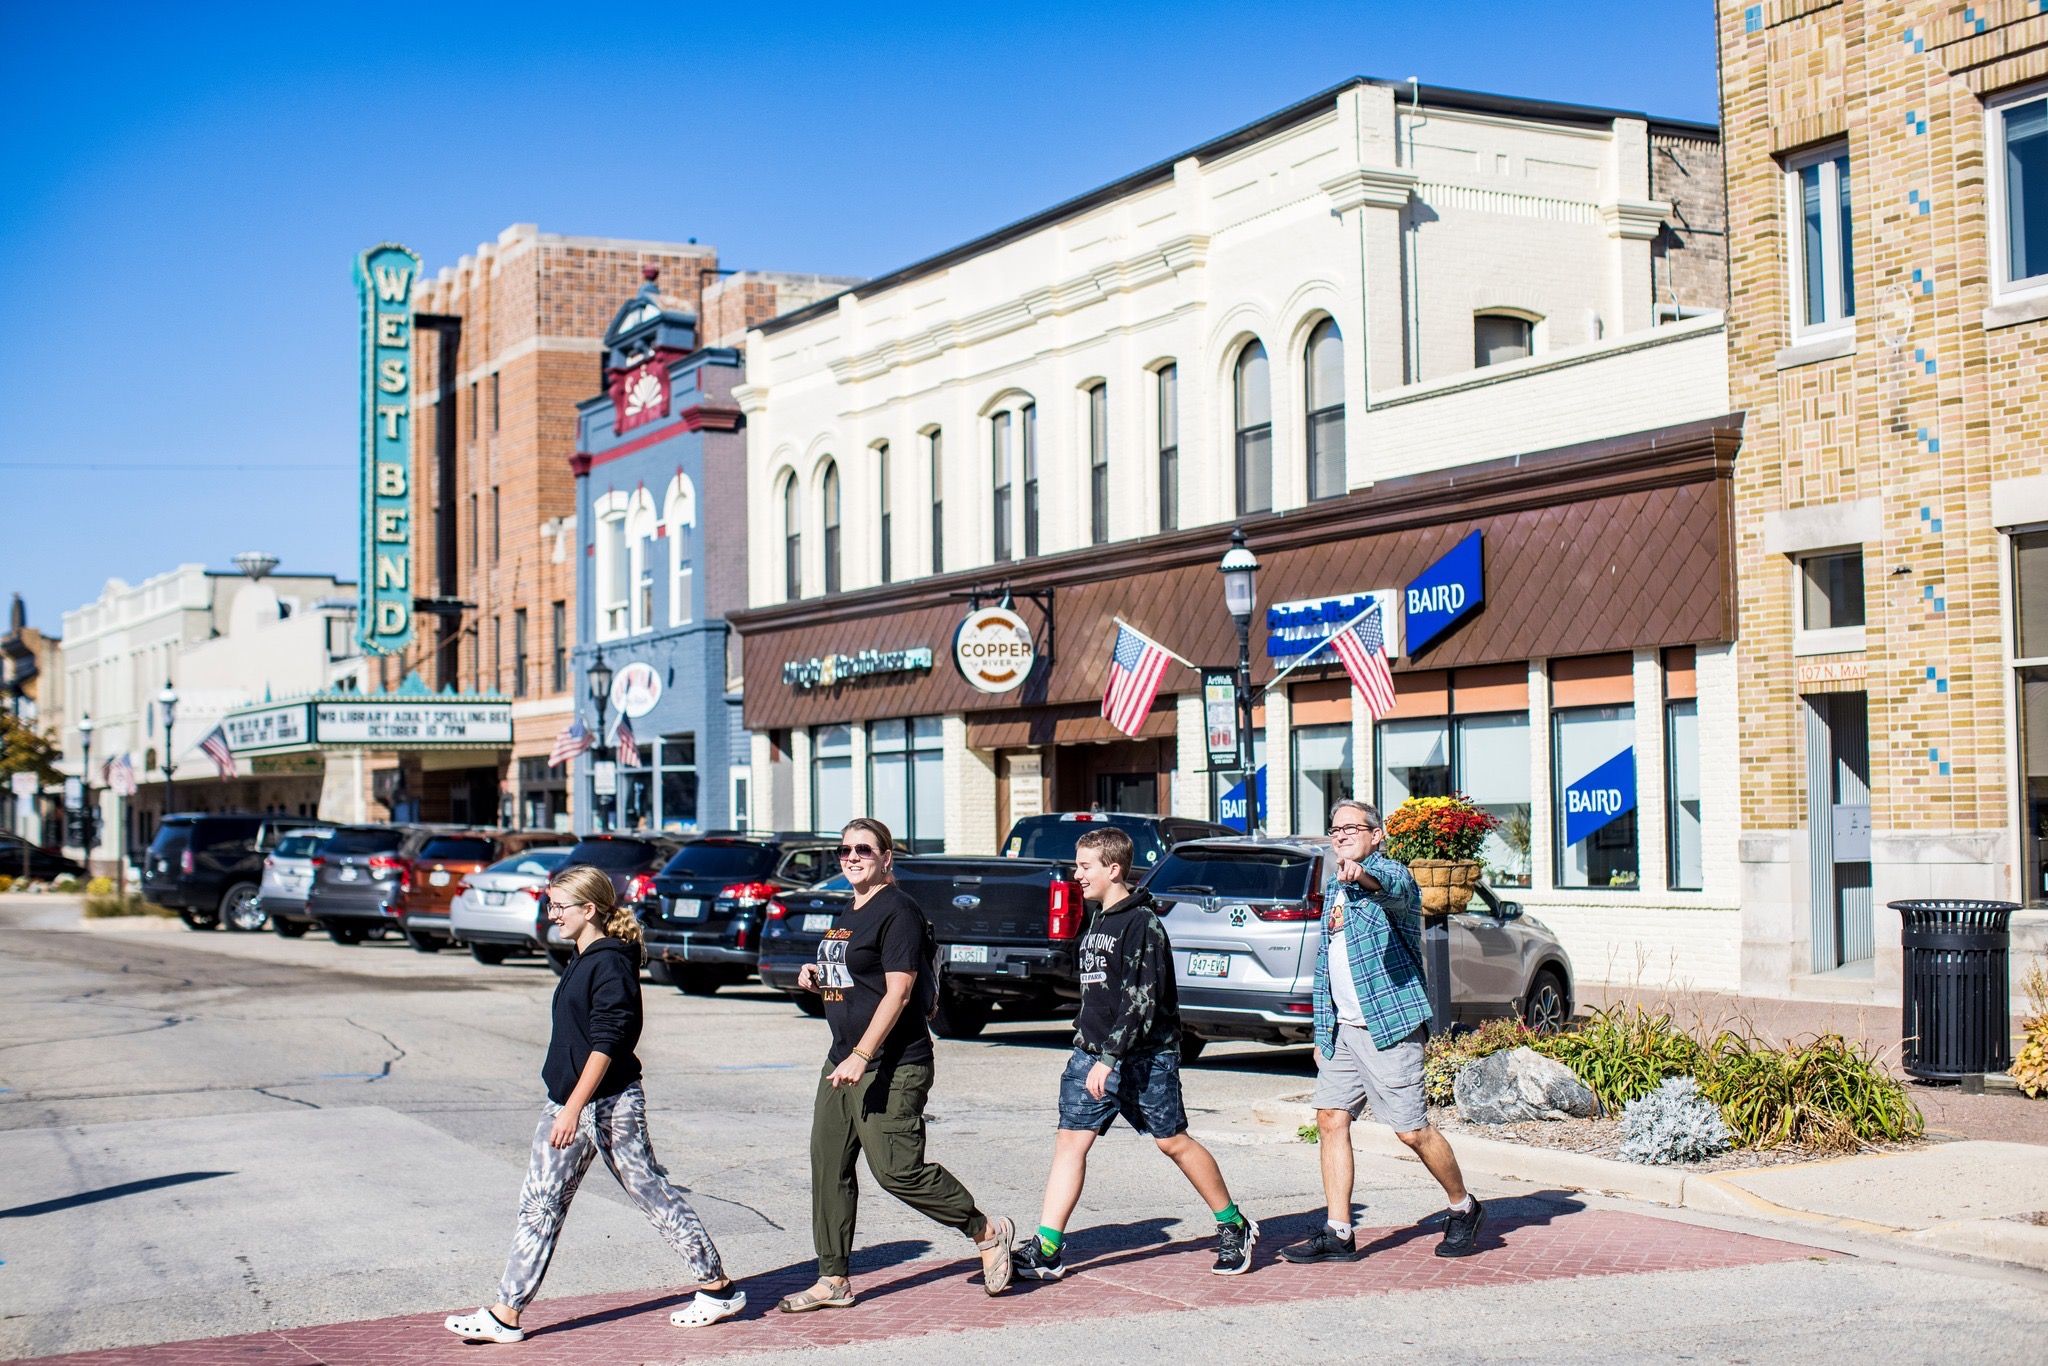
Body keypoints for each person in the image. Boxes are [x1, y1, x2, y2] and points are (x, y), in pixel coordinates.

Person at [445, 865, 743, 1344]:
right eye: (550, 905)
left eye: (560, 906)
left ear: (589, 909)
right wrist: (565, 1104)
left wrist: (573, 1108)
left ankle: (718, 1288)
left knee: (649, 1191)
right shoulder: (582, 957)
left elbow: (607, 1043)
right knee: (539, 1205)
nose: (553, 914)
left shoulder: (611, 963)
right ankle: (505, 1314)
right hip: (567, 1101)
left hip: (608, 1102)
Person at [781, 816, 1015, 1312]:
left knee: (897, 1171)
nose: (851, 857)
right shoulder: (849, 908)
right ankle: (832, 1278)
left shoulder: (898, 910)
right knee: (829, 1168)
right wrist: (817, 975)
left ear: (886, 857)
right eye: (845, 850)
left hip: (891, 1063)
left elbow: (900, 990)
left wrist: (862, 1055)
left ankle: (987, 1232)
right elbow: (856, 980)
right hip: (841, 1061)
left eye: (863, 850)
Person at [1012, 826, 1257, 1281]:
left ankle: (1233, 1224)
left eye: (1085, 866)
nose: (1077, 874)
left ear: (1113, 869)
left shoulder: (1142, 923)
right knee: (1071, 1141)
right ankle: (1047, 1247)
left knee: (1172, 1142)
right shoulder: (1098, 919)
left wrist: (1110, 1059)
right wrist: (1090, 1043)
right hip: (1091, 1054)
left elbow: (1141, 1001)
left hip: (1144, 1057)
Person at [1278, 798, 1486, 1264]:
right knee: (1330, 1118)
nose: (1341, 835)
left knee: (1411, 1131)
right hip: (1344, 1029)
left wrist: (1362, 877)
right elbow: (1326, 964)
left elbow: (1390, 890)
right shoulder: (1334, 886)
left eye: (1351, 828)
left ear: (1376, 835)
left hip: (1388, 1025)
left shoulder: (1394, 876)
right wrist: (1322, 1030)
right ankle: (1339, 1231)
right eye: (1335, 829)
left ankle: (1464, 1207)